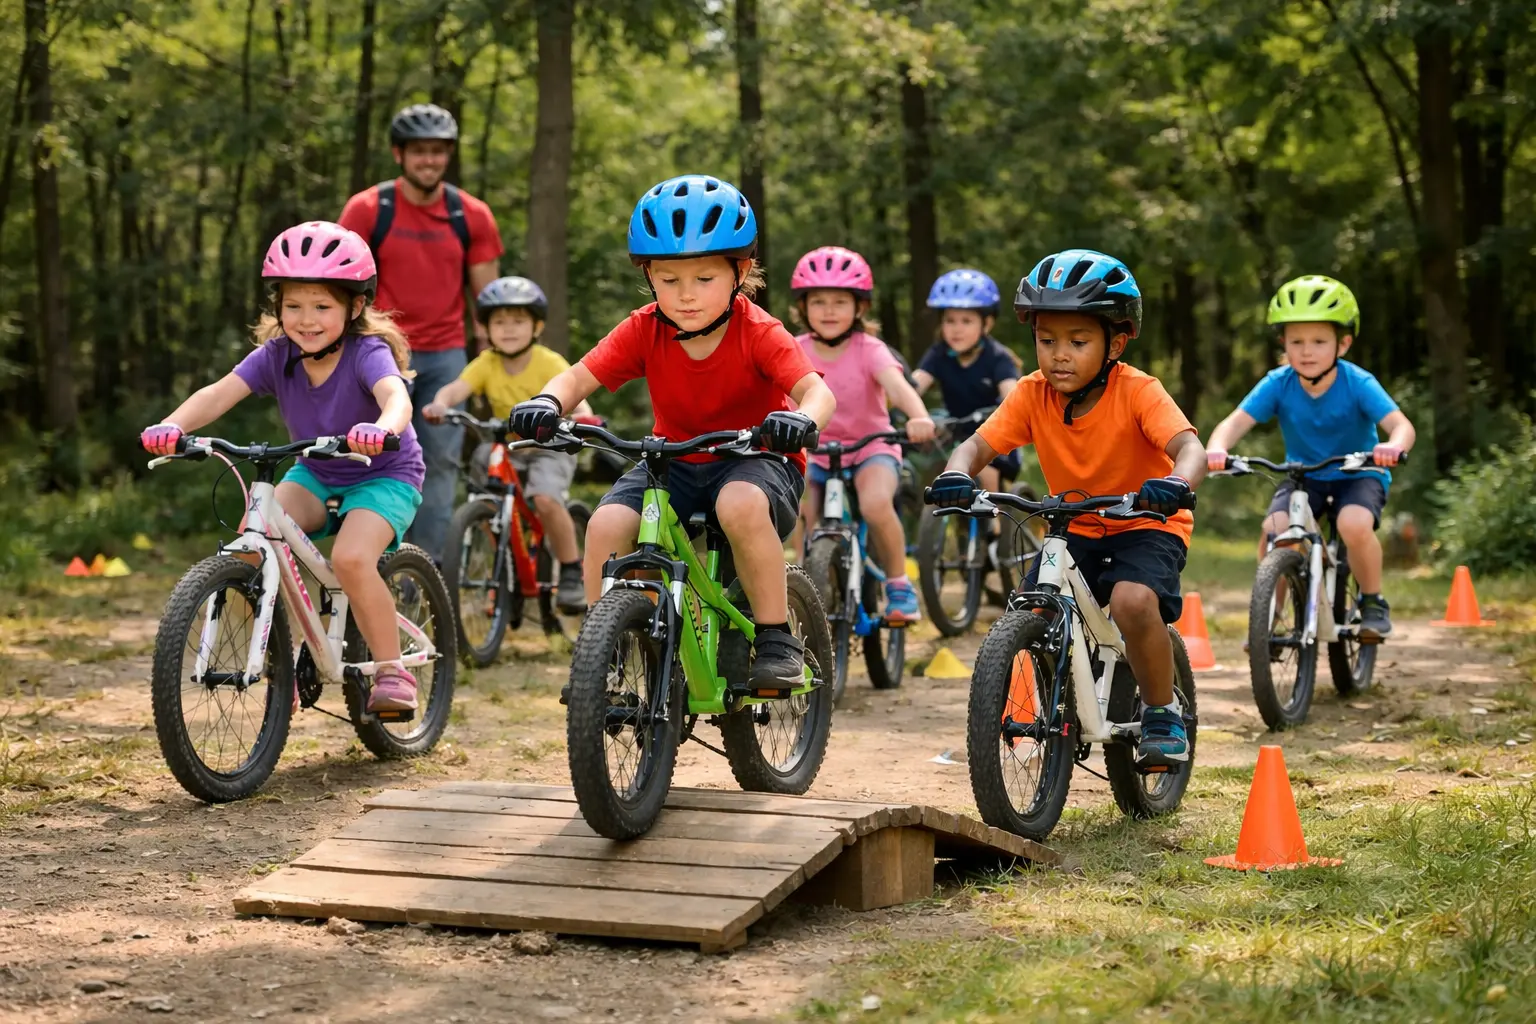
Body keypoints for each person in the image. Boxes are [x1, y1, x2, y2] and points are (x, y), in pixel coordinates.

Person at [511, 174, 836, 690]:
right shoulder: (645, 328)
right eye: (668, 280)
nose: (685, 296)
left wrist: (801, 419)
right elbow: (577, 377)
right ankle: (604, 654)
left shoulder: (760, 331)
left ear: (740, 271)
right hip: (675, 462)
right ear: (649, 277)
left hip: (756, 460)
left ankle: (776, 637)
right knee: (606, 524)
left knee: (738, 505)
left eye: (704, 279)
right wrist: (547, 401)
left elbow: (818, 393)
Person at [927, 249, 1206, 769]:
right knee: (1031, 608)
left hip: (1144, 522)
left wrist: (1176, 482)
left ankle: (1163, 709)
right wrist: (956, 473)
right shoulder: (1032, 394)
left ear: (1115, 343)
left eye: (1078, 342)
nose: (1059, 355)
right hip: (1073, 526)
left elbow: (1191, 449)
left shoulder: (1139, 391)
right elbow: (977, 445)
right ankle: (1056, 708)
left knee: (1131, 602)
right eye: (1046, 340)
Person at [140, 222, 427, 713]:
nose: (306, 320)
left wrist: (382, 428)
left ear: (354, 307)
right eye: (293, 305)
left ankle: (390, 669)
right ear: (278, 307)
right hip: (318, 471)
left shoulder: (367, 352)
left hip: (383, 472)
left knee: (353, 560)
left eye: (322, 306)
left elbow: (394, 395)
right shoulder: (276, 355)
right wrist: (171, 425)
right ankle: (283, 657)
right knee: (252, 543)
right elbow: (218, 393)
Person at [1205, 275, 1415, 639]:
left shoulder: (1358, 383)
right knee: (1275, 530)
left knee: (1353, 524)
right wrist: (1217, 449)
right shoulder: (1277, 382)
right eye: (1296, 341)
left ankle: (1372, 601)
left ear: (1343, 344)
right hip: (1304, 476)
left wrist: (1392, 446)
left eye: (1319, 341)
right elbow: (1232, 424)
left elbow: (1402, 427)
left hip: (1358, 473)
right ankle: (1269, 616)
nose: (1306, 351)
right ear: (1282, 343)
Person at [339, 102, 503, 562]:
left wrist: (492, 367)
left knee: (440, 464)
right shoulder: (369, 208)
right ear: (399, 154)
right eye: (418, 152)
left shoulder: (471, 215)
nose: (428, 160)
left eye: (437, 151)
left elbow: (487, 302)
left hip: (446, 356)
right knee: (366, 454)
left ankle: (421, 571)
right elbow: (337, 282)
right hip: (378, 352)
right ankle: (363, 561)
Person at [422, 276, 594, 614]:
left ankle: (572, 568)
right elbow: (457, 389)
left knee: (544, 498)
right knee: (485, 477)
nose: (509, 329)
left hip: (549, 447)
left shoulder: (548, 361)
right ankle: (499, 555)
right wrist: (441, 403)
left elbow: (577, 392)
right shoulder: (486, 363)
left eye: (518, 321)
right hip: (509, 449)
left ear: (537, 326)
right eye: (499, 322)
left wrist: (586, 416)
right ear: (486, 329)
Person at [789, 245, 934, 622]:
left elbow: (900, 389)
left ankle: (899, 584)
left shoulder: (870, 349)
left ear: (861, 307)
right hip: (814, 449)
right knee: (800, 510)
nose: (829, 310)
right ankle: (807, 581)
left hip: (872, 447)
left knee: (874, 504)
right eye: (818, 301)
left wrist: (918, 417)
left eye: (840, 301)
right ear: (802, 308)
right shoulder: (794, 349)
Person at [913, 267, 1023, 497]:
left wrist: (1007, 407)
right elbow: (913, 387)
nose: (956, 329)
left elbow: (1012, 396)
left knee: (987, 472)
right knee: (938, 470)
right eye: (950, 320)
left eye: (966, 321)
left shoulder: (998, 357)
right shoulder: (939, 354)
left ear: (987, 324)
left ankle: (994, 529)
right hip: (958, 435)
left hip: (996, 436)